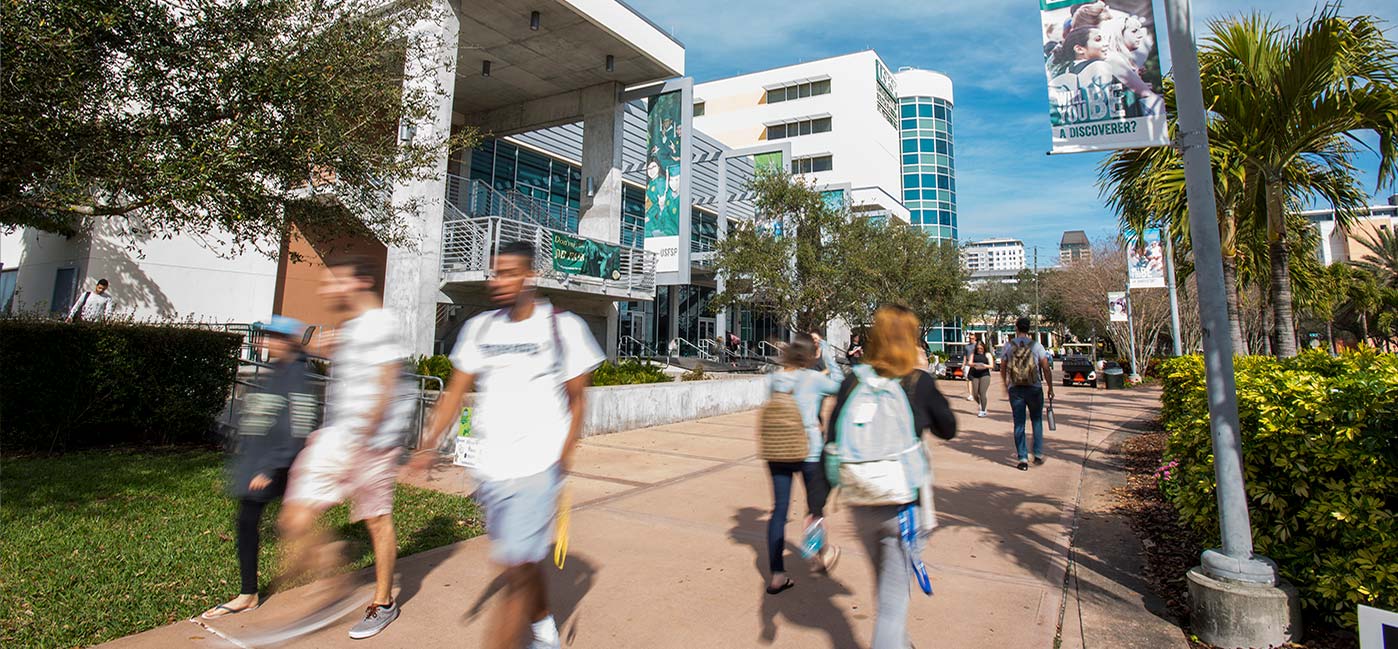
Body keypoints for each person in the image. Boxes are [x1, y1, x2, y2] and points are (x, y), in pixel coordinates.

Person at [413, 241, 603, 649]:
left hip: (538, 466)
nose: (497, 281)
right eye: (495, 272)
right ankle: (544, 626)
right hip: (492, 470)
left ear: (530, 276)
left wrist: (562, 457)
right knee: (522, 562)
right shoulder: (480, 328)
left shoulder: (563, 326)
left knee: (514, 565)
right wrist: (428, 444)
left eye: (508, 272)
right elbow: (454, 393)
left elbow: (578, 399)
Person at [275, 257, 415, 640]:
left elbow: (388, 384)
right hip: (338, 435)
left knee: (376, 518)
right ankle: (331, 576)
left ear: (360, 282)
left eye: (333, 282)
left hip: (373, 442)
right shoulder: (352, 327)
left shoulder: (381, 324)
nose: (326, 290)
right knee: (294, 517)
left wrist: (365, 438)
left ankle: (383, 602)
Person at [827, 305, 956, 649]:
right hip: (903, 505)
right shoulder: (917, 380)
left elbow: (831, 439)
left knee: (885, 590)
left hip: (860, 498)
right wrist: (925, 375)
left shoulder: (853, 380)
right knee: (891, 604)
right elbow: (949, 428)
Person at [202, 316, 316, 620]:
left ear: (286, 341)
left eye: (271, 337)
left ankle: (249, 593)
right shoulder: (277, 372)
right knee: (266, 524)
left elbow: (299, 427)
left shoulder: (297, 376)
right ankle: (251, 591)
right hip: (259, 464)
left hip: (276, 467)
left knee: (260, 523)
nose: (265, 342)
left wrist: (270, 468)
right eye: (264, 336)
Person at [762, 333, 843, 595]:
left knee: (779, 511)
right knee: (814, 508)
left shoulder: (774, 379)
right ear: (810, 354)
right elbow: (841, 385)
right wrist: (827, 352)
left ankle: (776, 575)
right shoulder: (815, 379)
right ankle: (818, 556)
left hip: (778, 450)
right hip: (809, 451)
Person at [1000, 317, 1054, 471]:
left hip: (1016, 389)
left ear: (1016, 328)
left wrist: (1005, 384)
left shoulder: (1009, 346)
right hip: (1034, 388)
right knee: (1036, 421)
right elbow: (1045, 367)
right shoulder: (1037, 346)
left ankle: (1022, 458)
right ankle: (1037, 454)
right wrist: (1050, 387)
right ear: (1029, 329)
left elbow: (1003, 367)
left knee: (1019, 423)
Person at [968, 341, 993, 417]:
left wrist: (984, 365)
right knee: (975, 393)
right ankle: (980, 403)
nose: (980, 349)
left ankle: (983, 410)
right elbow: (969, 363)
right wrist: (975, 364)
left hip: (985, 375)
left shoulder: (987, 354)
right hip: (975, 374)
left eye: (981, 348)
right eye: (978, 348)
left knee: (982, 392)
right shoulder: (973, 354)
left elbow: (991, 365)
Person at [964, 334, 979, 401]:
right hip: (968, 364)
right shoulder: (967, 346)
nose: (971, 339)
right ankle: (970, 394)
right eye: (970, 338)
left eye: (972, 338)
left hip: (975, 364)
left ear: (975, 338)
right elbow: (965, 355)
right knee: (968, 379)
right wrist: (963, 364)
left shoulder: (977, 346)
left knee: (976, 379)